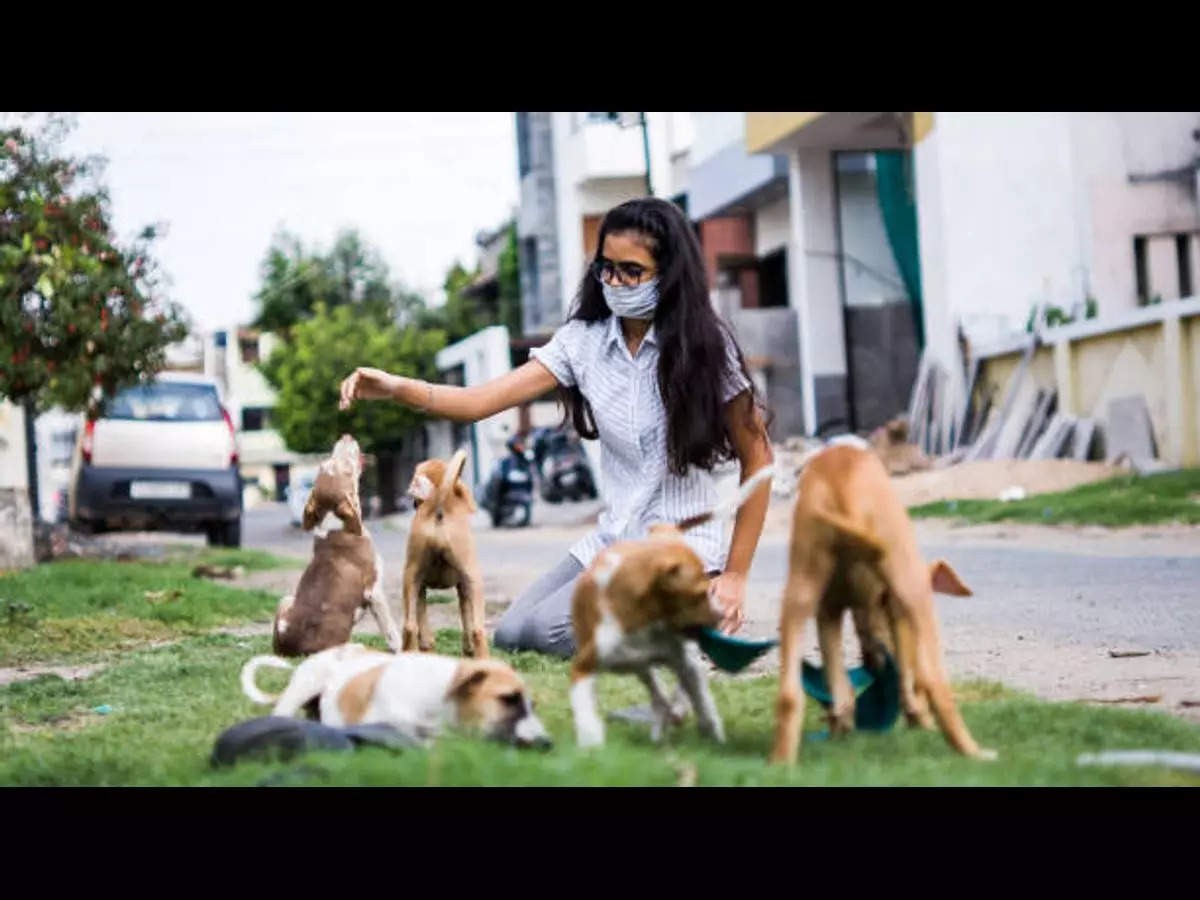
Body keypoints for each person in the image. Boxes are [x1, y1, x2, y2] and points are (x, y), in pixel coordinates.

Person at [339, 197, 774, 658]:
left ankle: (687, 614)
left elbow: (758, 457)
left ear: (669, 275)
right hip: (612, 539)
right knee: (513, 634)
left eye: (631, 271)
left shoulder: (707, 347)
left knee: (551, 633)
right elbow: (477, 402)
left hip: (679, 547)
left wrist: (736, 575)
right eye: (605, 267)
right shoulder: (583, 342)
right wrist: (396, 387)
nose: (614, 282)